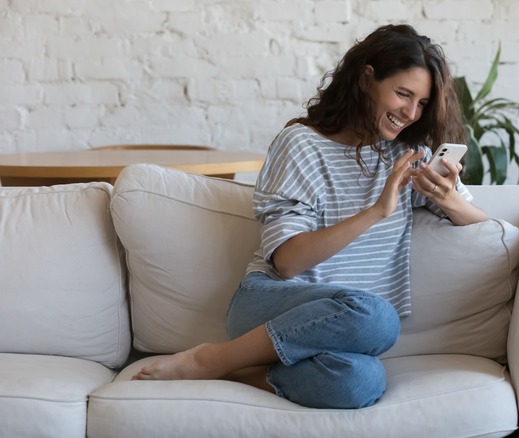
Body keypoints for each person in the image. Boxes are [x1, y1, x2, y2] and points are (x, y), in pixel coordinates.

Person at [132, 23, 488, 409]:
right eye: (403, 94)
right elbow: (286, 262)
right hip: (269, 303)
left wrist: (449, 198)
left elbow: (486, 230)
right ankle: (210, 358)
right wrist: (377, 211)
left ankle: (237, 371)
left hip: (337, 330)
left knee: (361, 382)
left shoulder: (407, 154)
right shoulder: (301, 145)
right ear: (367, 79)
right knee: (379, 318)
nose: (410, 112)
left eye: (421, 103)